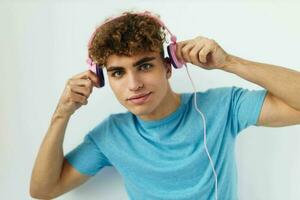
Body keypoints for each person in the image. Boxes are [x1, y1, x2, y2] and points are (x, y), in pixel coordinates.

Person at [30, 11, 300, 200]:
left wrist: (229, 62)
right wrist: (60, 115)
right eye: (118, 73)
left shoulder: (223, 106)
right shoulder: (110, 136)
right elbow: (44, 190)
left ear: (168, 67)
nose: (133, 84)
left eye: (144, 66)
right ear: (104, 78)